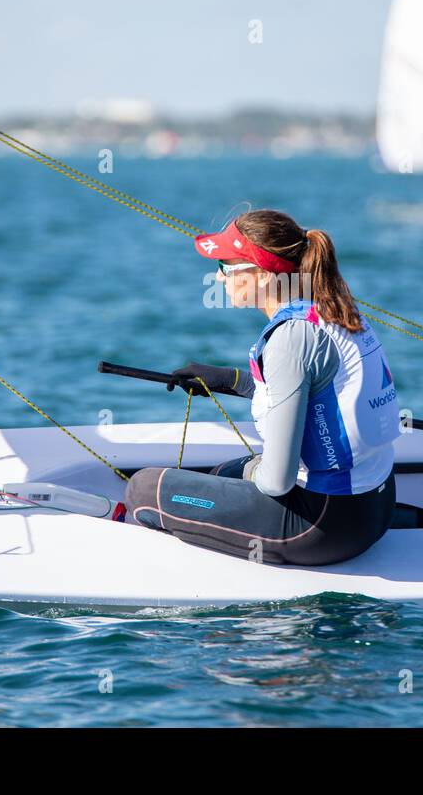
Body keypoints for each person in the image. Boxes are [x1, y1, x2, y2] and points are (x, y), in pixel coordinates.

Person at [122, 209, 401, 566]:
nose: (218, 277)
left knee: (143, 488)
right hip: (375, 506)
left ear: (264, 275)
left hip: (321, 526)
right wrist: (231, 380)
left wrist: (253, 472)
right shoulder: (334, 310)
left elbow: (277, 482)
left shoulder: (291, 339)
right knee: (224, 474)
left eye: (226, 266)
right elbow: (315, 399)